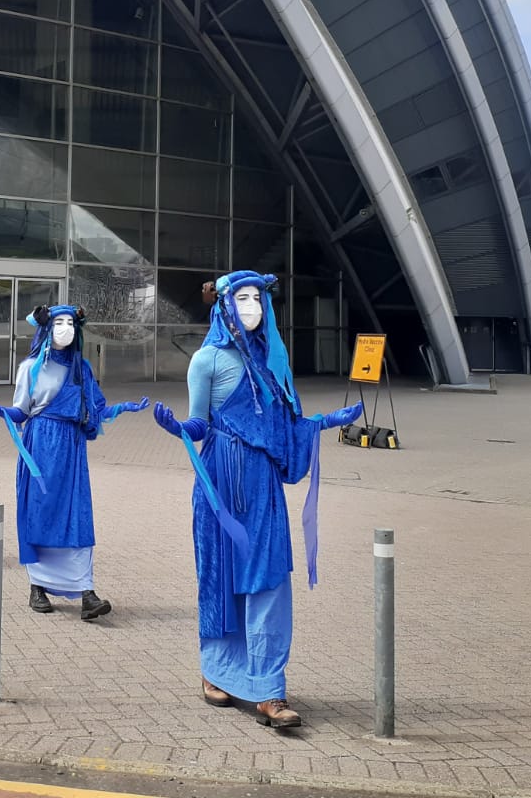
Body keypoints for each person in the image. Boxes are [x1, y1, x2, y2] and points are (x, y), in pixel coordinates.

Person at [152, 271, 362, 730]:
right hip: (220, 488)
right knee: (220, 578)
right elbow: (200, 425)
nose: (252, 306)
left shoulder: (274, 363)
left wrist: (325, 422)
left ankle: (269, 689)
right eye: (242, 298)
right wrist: (179, 430)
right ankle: (216, 673)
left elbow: (288, 427)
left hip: (264, 488)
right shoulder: (205, 361)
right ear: (223, 306)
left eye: (258, 298)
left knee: (268, 580)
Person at [0, 304, 149, 619]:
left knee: (77, 516)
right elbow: (22, 411)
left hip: (71, 450)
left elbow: (95, 410)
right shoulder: (29, 368)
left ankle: (87, 593)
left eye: (71, 322)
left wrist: (124, 408)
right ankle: (37, 587)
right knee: (40, 513)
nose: (66, 328)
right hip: (40, 445)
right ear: (47, 328)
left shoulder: (82, 368)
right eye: (60, 322)